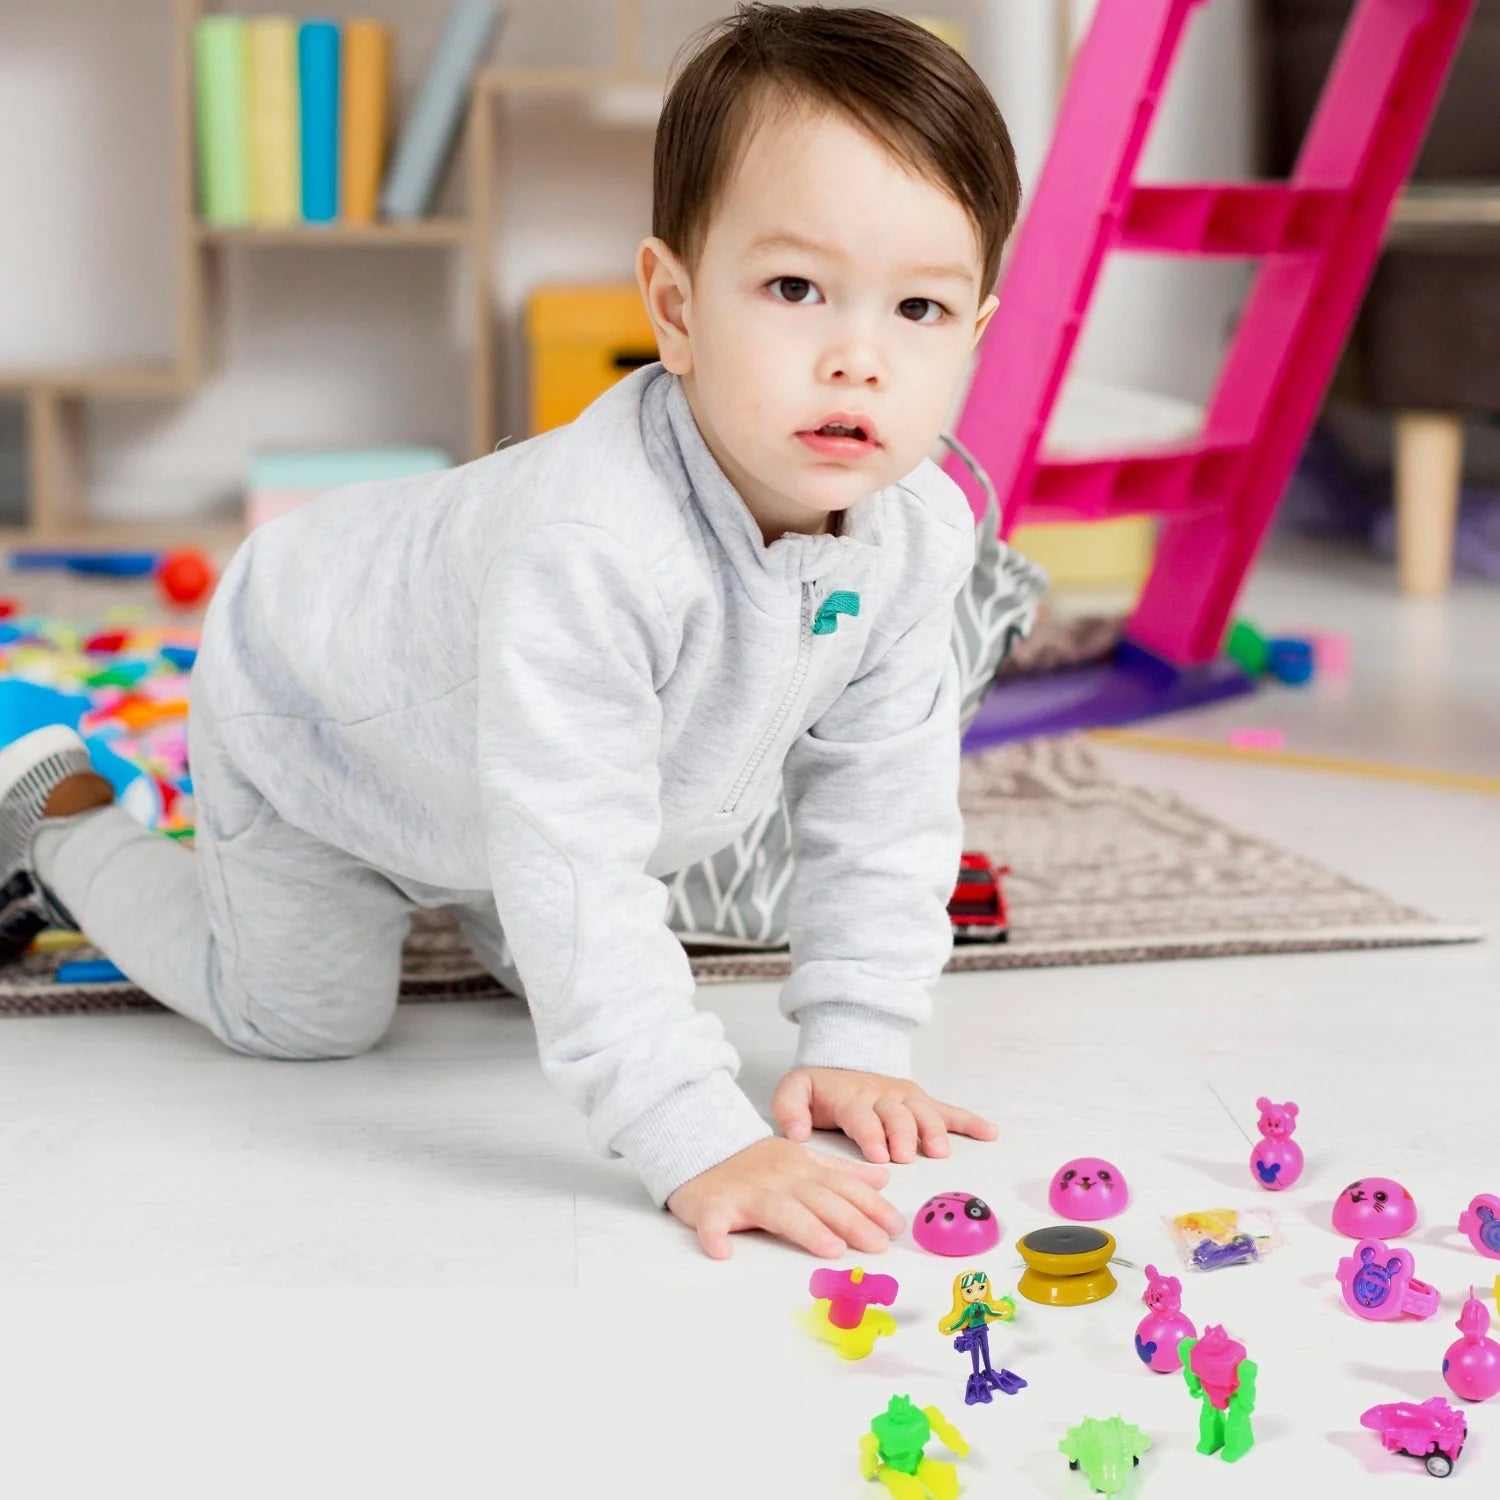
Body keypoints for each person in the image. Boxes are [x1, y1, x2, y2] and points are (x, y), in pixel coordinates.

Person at [0, 3, 1022, 1260]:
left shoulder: (918, 535)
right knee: (305, 1022)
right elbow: (579, 863)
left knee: (554, 934)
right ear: (677, 303)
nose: (856, 357)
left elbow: (885, 799)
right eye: (795, 287)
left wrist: (862, 1040)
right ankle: (59, 817)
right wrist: (695, 1133)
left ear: (974, 336)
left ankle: (469, 878)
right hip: (313, 712)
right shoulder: (598, 546)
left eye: (918, 311)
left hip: (484, 755)